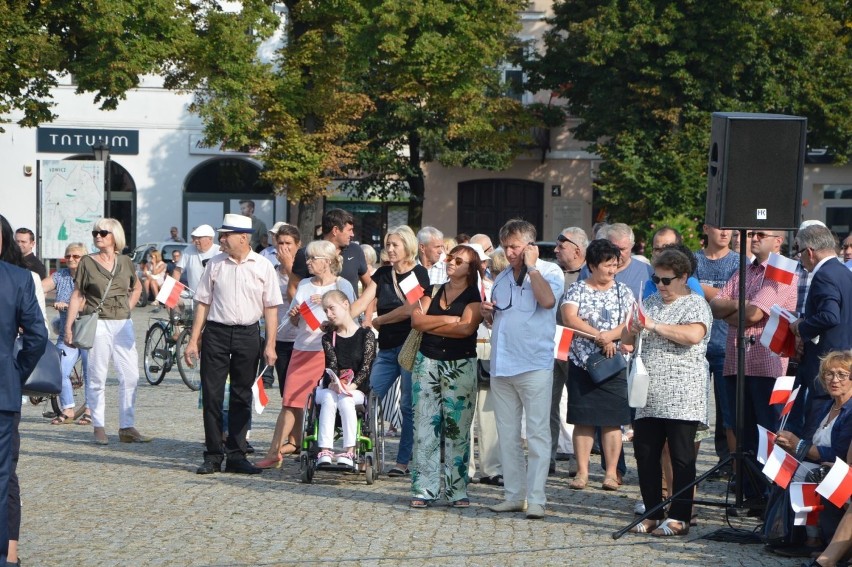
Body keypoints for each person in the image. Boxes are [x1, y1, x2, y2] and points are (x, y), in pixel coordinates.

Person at [622, 248, 713, 537]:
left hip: (683, 393)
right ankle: (652, 513)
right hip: (648, 392)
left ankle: (680, 517)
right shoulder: (649, 302)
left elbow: (693, 336)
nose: (660, 285)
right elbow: (626, 340)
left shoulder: (696, 304)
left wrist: (653, 325)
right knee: (645, 454)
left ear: (683, 277)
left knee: (681, 457)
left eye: (666, 280)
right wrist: (633, 327)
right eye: (656, 279)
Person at [183, 213, 282, 475]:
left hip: (248, 334)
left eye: (225, 235)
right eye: (220, 235)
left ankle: (237, 455)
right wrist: (194, 340)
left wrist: (270, 344)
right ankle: (213, 455)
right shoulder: (214, 264)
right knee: (212, 396)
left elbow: (271, 308)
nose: (221, 239)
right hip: (216, 333)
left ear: (243, 237)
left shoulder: (263, 266)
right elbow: (202, 302)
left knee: (242, 395)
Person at [481, 219, 563, 520]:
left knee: (538, 434)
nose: (509, 252)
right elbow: (500, 318)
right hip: (503, 365)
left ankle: (537, 498)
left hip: (534, 364)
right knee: (507, 434)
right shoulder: (501, 278)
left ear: (530, 246)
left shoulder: (549, 271)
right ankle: (514, 495)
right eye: (506, 246)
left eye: (515, 246)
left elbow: (547, 300)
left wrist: (532, 268)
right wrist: (485, 314)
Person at [710, 228, 798, 491]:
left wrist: (736, 308)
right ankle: (749, 490)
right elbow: (715, 306)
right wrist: (743, 306)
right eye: (752, 235)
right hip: (736, 361)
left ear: (778, 241)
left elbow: (753, 316)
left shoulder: (782, 270)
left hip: (767, 364)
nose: (754, 238)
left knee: (768, 433)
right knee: (742, 430)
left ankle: (769, 493)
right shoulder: (744, 269)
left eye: (761, 234)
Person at [255, 240, 354, 468]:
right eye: (307, 258)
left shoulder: (342, 286)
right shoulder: (305, 285)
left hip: (327, 352)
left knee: (321, 402)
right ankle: (273, 453)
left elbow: (351, 322)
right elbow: (292, 322)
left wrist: (328, 305)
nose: (307, 262)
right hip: (301, 349)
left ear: (327, 262)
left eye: (312, 259)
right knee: (289, 401)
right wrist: (295, 315)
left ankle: (322, 449)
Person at [350, 225, 430, 477]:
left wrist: (379, 320)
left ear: (408, 246)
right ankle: (364, 453)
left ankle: (403, 460)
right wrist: (341, 317)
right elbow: (364, 302)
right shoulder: (383, 274)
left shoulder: (418, 274)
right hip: (385, 349)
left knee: (407, 405)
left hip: (409, 348)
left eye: (395, 244)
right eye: (388, 244)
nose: (390, 248)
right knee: (368, 397)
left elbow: (411, 309)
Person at [409, 245, 484, 508]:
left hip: (460, 363)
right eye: (450, 257)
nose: (450, 261)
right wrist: (452, 321)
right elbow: (416, 322)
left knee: (457, 428)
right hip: (426, 360)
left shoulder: (474, 295)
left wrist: (440, 322)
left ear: (469, 269)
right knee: (425, 425)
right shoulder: (434, 288)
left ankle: (457, 490)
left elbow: (467, 330)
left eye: (458, 260)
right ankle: (424, 489)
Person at [64, 218, 149, 446]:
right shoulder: (87, 263)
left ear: (114, 236)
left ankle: (127, 426)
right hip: (97, 323)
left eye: (103, 232)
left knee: (131, 375)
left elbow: (137, 287)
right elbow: (77, 296)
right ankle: (98, 426)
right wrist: (68, 327)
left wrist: (127, 308)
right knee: (97, 377)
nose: (97, 236)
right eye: (95, 233)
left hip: (123, 324)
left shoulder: (125, 261)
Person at [561, 239, 633, 492]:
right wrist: (598, 335)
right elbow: (569, 317)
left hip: (613, 363)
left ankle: (611, 474)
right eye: (607, 265)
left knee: (613, 420)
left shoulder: (623, 291)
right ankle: (582, 472)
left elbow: (629, 324)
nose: (612, 270)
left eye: (615, 264)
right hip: (582, 363)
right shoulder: (577, 289)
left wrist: (610, 336)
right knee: (583, 419)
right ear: (592, 265)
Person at [1, 214, 48, 567]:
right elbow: (36, 337)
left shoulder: (19, 278)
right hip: (3, 389)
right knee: (2, 476)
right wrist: (16, 372)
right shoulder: (18, 279)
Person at [775, 351, 852, 558]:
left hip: (838, 467)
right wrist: (789, 445)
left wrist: (798, 445)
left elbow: (839, 453)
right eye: (829, 374)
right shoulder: (825, 406)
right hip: (818, 463)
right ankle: (791, 532)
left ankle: (813, 539)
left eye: (842, 374)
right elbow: (809, 440)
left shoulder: (850, 411)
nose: (834, 380)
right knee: (781, 466)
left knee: (801, 472)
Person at [790, 225, 852, 441]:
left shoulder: (824, 274)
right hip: (842, 362)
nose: (800, 260)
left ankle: (805, 472)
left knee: (814, 429)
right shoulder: (844, 271)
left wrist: (801, 327)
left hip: (826, 364)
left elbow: (830, 316)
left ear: (809, 252)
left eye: (799, 253)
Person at [694, 224, 740, 469]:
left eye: (729, 229)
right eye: (719, 228)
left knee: (730, 415)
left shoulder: (739, 262)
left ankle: (736, 474)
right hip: (695, 347)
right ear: (706, 229)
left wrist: (700, 288)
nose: (724, 233)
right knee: (694, 414)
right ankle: (686, 472)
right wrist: (726, 298)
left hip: (727, 346)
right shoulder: (693, 260)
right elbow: (685, 291)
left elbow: (743, 298)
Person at [315, 290, 376, 467]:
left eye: (332, 308)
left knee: (347, 400)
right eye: (326, 311)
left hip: (356, 388)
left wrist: (353, 385)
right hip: (333, 387)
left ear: (345, 304)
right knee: (328, 396)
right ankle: (325, 449)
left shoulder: (366, 335)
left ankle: (350, 450)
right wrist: (336, 382)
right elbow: (332, 364)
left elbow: (367, 365)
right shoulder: (329, 338)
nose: (329, 314)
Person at [550, 227, 588, 475]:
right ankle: (548, 457)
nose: (555, 250)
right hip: (552, 345)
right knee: (548, 404)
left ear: (577, 249)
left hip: (580, 347)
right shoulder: (551, 273)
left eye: (561, 246)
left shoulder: (591, 274)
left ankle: (580, 460)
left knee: (580, 405)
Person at [41, 242, 90, 425]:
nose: (71, 259)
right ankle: (68, 409)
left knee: (90, 373)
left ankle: (89, 410)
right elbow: (40, 287)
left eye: (76, 256)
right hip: (66, 334)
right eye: (68, 256)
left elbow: (93, 301)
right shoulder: (60, 276)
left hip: (87, 332)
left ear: (84, 258)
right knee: (59, 371)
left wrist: (69, 306)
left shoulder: (90, 276)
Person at [290, 209, 370, 296]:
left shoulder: (355, 250)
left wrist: (365, 309)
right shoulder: (306, 254)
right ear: (335, 230)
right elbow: (293, 287)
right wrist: (302, 309)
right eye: (349, 230)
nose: (352, 234)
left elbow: (368, 285)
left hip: (350, 309)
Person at [270, 224, 301, 394]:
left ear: (298, 245)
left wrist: (290, 266)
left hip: (302, 339)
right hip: (280, 338)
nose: (284, 247)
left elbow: (301, 292)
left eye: (288, 243)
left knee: (302, 392)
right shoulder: (272, 272)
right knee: (286, 391)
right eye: (280, 243)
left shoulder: (306, 271)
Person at [174, 224, 219, 292]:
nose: (195, 241)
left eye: (199, 238)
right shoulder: (189, 250)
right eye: (194, 238)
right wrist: (172, 292)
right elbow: (177, 271)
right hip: (193, 297)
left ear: (210, 238)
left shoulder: (219, 252)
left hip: (214, 298)